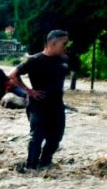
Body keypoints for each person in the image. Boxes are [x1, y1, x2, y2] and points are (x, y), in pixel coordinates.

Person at [8, 30, 70, 170]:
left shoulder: (64, 59)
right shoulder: (34, 60)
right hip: (38, 106)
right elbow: (12, 75)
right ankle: (31, 167)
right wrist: (29, 91)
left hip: (57, 105)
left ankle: (45, 163)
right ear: (53, 43)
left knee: (55, 138)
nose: (65, 46)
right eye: (63, 43)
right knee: (37, 137)